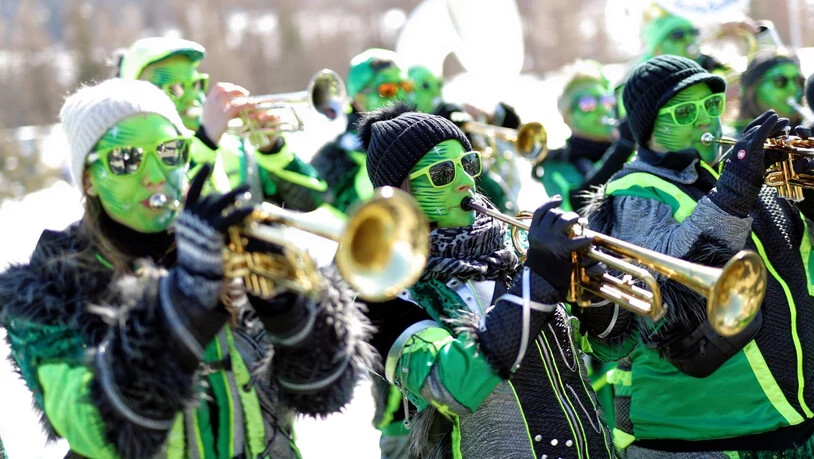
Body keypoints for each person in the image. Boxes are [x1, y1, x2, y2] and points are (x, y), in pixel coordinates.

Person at [0, 79, 371, 458]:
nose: (154, 175)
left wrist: (289, 309)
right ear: (88, 180)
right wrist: (181, 303)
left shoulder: (222, 240)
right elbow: (93, 430)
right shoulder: (50, 282)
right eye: (126, 160)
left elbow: (324, 392)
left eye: (169, 152)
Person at [580, 55, 814, 457]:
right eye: (686, 112)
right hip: (699, 436)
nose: (706, 119)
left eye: (712, 105)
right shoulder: (633, 189)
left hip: (786, 421)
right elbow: (663, 286)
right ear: (649, 129)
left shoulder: (731, 173)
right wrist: (734, 190)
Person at [361, 102, 615, 458]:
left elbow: (608, 346)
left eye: (468, 164)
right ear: (402, 195)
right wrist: (538, 283)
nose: (466, 181)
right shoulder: (383, 294)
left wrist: (596, 292)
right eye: (442, 173)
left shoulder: (513, 246)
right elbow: (451, 385)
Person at [117, 37, 328, 210]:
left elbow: (312, 201)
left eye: (197, 84)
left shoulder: (235, 148)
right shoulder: (127, 157)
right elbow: (161, 210)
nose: (193, 97)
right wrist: (206, 141)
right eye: (175, 88)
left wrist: (273, 150)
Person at [311, 48, 415, 213]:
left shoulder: (424, 134)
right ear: (358, 99)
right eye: (387, 90)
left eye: (405, 86)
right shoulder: (331, 159)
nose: (402, 96)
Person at [532, 60, 635, 213]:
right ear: (568, 117)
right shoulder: (555, 165)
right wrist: (623, 148)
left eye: (606, 100)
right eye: (588, 104)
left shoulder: (632, 149)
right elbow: (577, 207)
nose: (602, 110)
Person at [734, 49, 806, 134]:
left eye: (798, 81)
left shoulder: (809, 130)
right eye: (780, 81)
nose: (793, 89)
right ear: (753, 88)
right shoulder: (728, 137)